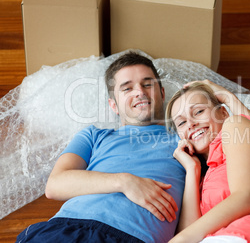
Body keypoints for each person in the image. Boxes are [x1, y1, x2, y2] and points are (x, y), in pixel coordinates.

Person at [16, 52, 186, 243]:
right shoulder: (94, 135)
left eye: (147, 84)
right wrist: (125, 182)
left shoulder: (185, 138)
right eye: (127, 88)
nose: (140, 91)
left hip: (134, 237)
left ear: (162, 94)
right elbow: (55, 185)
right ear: (113, 105)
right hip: (67, 228)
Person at [165, 82, 250, 243]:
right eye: (181, 123)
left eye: (199, 111)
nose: (191, 123)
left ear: (223, 113)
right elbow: (191, 230)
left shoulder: (236, 126)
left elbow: (246, 198)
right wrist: (191, 169)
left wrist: (229, 98)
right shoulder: (207, 178)